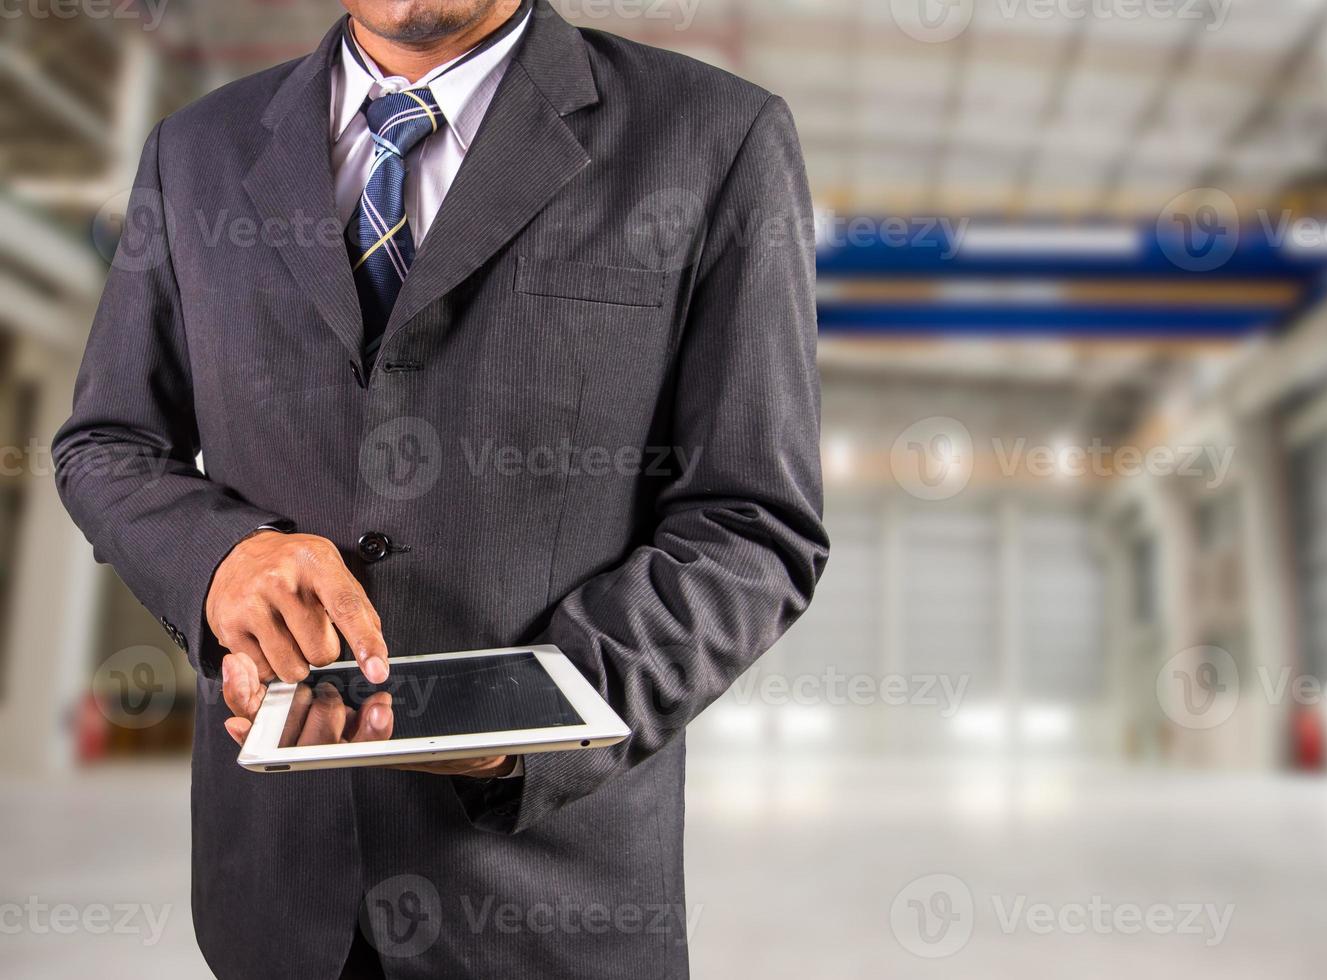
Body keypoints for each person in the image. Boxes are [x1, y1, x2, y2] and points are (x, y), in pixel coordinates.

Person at [52, 1, 827, 976]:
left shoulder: (713, 138)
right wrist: (218, 560)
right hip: (278, 903)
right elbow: (108, 442)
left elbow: (753, 524)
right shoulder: (193, 152)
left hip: (548, 905)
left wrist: (523, 716)